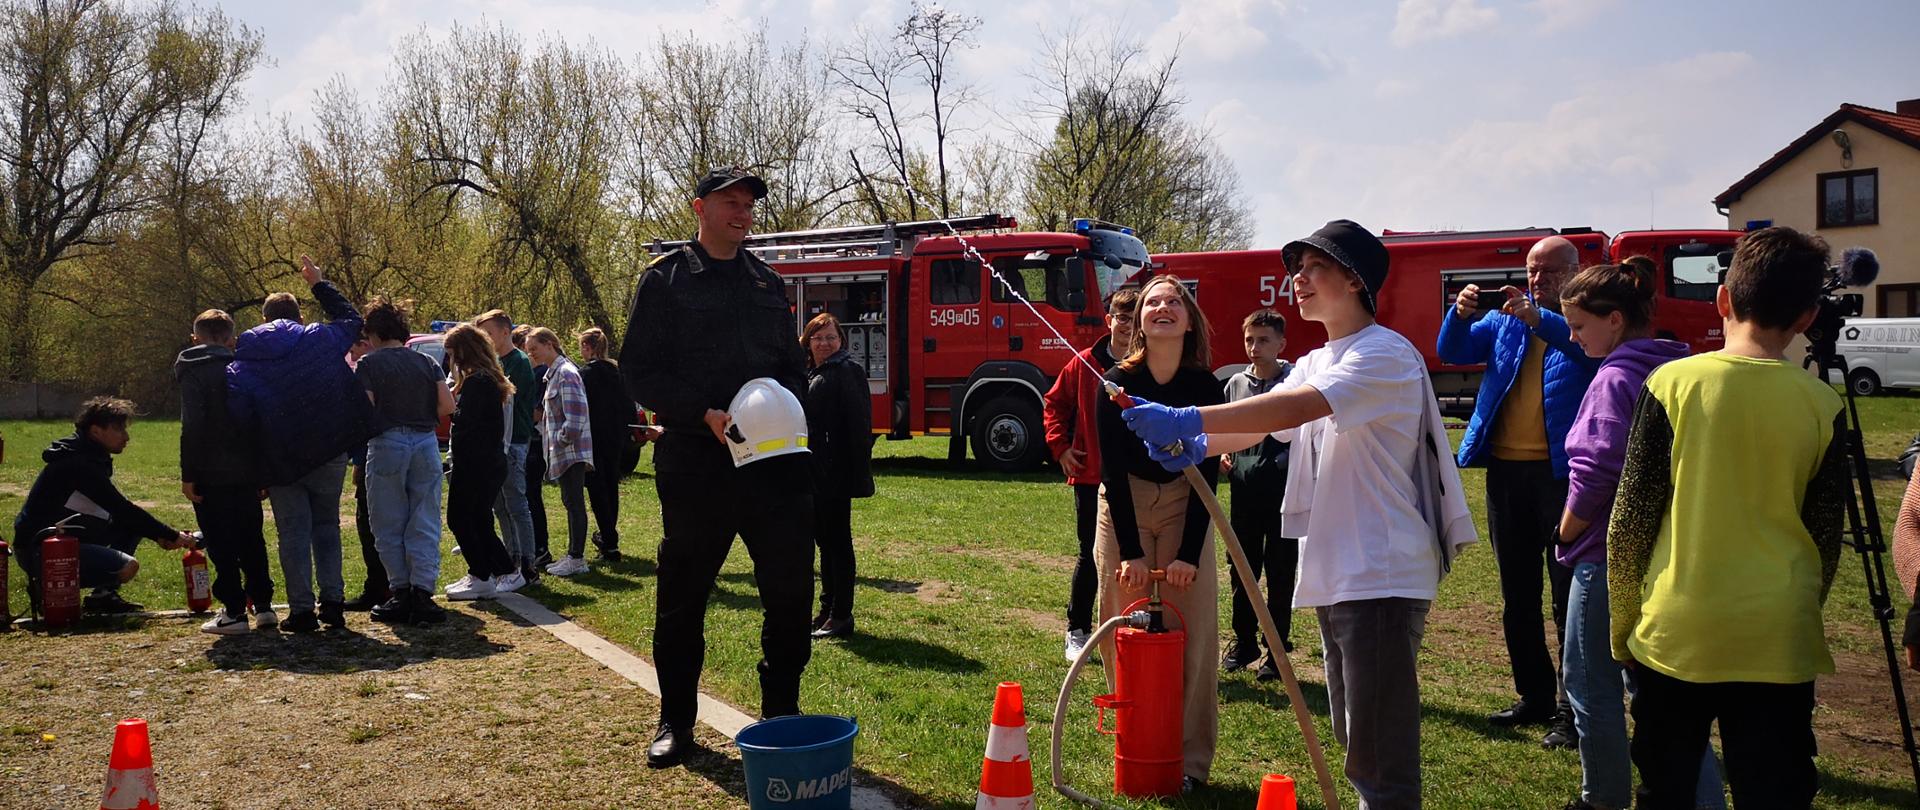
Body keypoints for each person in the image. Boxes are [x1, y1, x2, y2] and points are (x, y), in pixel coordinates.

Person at [1121, 220, 1477, 809]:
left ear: (1356, 281)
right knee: (1355, 734)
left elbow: (1299, 405)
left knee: (1380, 751)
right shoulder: (1317, 358)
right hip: (1342, 571)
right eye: (1298, 269)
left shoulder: (1385, 354)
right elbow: (1268, 421)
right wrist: (1197, 446)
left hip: (1381, 572)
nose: (1298, 280)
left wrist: (1188, 419)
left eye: (1315, 269)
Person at [1609, 226, 1846, 808]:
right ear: (1809, 316)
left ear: (1723, 300)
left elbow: (1632, 518)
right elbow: (1825, 537)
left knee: (1666, 789)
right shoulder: (1824, 404)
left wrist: (1621, 626)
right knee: (1774, 791)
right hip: (1778, 633)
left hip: (1677, 628)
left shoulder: (1671, 382)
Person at [620, 167, 814, 768]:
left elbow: (789, 366)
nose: (743, 211)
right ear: (699, 207)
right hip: (696, 462)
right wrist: (697, 410)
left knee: (790, 594)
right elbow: (638, 371)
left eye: (749, 203)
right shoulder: (666, 280)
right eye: (730, 201)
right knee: (683, 597)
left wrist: (793, 410)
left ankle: (780, 713)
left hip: (770, 468)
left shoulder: (766, 281)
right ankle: (675, 721)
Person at [1552, 260, 1724, 810]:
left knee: (1590, 687)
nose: (1573, 339)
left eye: (1579, 327)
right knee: (1663, 699)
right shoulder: (1682, 369)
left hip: (1604, 556)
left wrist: (1566, 529)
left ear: (1616, 319)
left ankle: (1600, 797)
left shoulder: (1615, 378)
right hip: (1667, 555)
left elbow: (1598, 469)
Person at [1436, 235, 1597, 747]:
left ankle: (1574, 715)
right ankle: (1534, 696)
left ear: (1575, 271)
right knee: (1518, 596)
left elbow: (1587, 353)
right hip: (1508, 472)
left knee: (1566, 596)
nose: (1537, 280)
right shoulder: (1505, 318)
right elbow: (1452, 351)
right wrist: (1458, 316)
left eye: (1549, 272)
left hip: (1562, 475)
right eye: (1532, 270)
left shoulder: (1585, 319)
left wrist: (1540, 318)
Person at [1094, 274, 1226, 793]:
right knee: (1117, 628)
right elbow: (1110, 471)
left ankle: (1190, 761)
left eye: (1175, 300)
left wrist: (1189, 554)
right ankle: (1133, 739)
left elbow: (1207, 475)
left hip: (1185, 501)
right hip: (1124, 502)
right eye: (1153, 301)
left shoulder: (1206, 387)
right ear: (1140, 320)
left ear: (1188, 319)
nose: (1163, 306)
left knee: (1191, 634)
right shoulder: (1115, 382)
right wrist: (1128, 549)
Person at [228, 254, 378, 633]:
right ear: (299, 315)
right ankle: (333, 602)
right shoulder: (321, 339)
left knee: (292, 532)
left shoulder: (244, 359)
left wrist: (253, 466)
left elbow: (242, 416)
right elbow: (352, 320)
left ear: (263, 320)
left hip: (281, 458)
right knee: (326, 525)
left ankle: (300, 610)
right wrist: (319, 283)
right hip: (328, 447)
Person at [12, 398, 197, 614]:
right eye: (118, 430)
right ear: (96, 431)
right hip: (39, 551)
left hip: (65, 539)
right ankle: (48, 586)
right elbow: (121, 508)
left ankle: (103, 596)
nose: (126, 437)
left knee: (131, 527)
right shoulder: (77, 464)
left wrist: (159, 536)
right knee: (127, 567)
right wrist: (172, 535)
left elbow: (120, 515)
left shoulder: (89, 456)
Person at [1043, 287, 1139, 662]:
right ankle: (1077, 630)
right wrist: (1061, 447)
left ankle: (1133, 627)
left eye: (1135, 317)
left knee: (1136, 555)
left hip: (1138, 478)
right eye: (1122, 317)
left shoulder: (1148, 364)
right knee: (1090, 553)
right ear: (1109, 320)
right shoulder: (1084, 363)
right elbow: (1054, 403)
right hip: (1091, 476)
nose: (1128, 325)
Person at [356, 297, 461, 618]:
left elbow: (365, 411)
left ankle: (400, 590)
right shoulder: (426, 363)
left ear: (373, 333)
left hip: (388, 442)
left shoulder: (369, 364)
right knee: (425, 517)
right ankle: (423, 592)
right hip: (426, 442)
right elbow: (448, 407)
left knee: (387, 521)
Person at [176, 310, 276, 634]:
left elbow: (192, 425)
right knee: (251, 538)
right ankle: (263, 606)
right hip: (246, 468)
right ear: (232, 339)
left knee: (220, 542)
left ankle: (233, 610)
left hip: (209, 469)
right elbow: (260, 420)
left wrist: (188, 473)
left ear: (195, 338)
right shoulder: (244, 366)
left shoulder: (192, 370)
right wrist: (264, 471)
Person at [1220, 308, 1297, 679]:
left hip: (1284, 495)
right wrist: (1222, 451)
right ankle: (1244, 642)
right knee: (1241, 569)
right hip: (1244, 492)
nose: (1254, 347)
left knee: (1280, 573)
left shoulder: (1296, 382)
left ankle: (1277, 652)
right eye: (1249, 339)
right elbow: (1228, 426)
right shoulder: (1236, 383)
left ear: (1282, 343)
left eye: (1263, 340)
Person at [801, 313, 875, 640]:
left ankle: (841, 615)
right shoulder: (812, 372)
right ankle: (826, 610)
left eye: (831, 337)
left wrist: (850, 471)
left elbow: (859, 427)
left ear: (841, 340)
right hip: (815, 472)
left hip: (835, 473)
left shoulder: (847, 370)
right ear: (808, 341)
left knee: (838, 545)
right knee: (824, 544)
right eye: (818, 337)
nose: (825, 343)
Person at [440, 323, 519, 604]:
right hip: (487, 462)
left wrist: (451, 411)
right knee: (479, 520)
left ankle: (483, 575)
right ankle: (494, 571)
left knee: (460, 519)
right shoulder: (485, 379)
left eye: (451, 354)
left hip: (476, 463)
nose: (449, 360)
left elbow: (469, 425)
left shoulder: (478, 382)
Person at [476, 312, 541, 581]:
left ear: (505, 332)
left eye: (488, 333)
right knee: (500, 504)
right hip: (497, 441)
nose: (486, 340)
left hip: (514, 440)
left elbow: (506, 399)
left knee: (516, 501)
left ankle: (528, 563)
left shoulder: (519, 361)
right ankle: (511, 557)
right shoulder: (497, 361)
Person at [526, 327, 594, 577]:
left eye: (534, 348)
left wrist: (560, 439)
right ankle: (572, 555)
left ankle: (576, 558)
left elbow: (575, 417)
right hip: (563, 450)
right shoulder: (553, 374)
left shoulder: (566, 373)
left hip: (571, 451)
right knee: (570, 501)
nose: (531, 353)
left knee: (574, 502)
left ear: (549, 344)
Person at [577, 327, 633, 562]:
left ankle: (609, 541)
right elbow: (630, 406)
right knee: (610, 485)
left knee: (597, 488)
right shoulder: (618, 372)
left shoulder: (585, 374)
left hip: (594, 437)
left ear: (587, 348)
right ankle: (608, 535)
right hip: (616, 437)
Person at [343, 336, 389, 613]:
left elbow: (363, 418)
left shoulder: (368, 368)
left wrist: (358, 460)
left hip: (374, 455)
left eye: (354, 346)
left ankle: (379, 586)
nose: (351, 352)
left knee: (370, 525)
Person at [512, 323, 554, 570]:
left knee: (530, 496)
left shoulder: (539, 374)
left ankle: (539, 549)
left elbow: (537, 412)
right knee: (527, 496)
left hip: (535, 441)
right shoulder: (537, 371)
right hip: (532, 440)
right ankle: (531, 547)